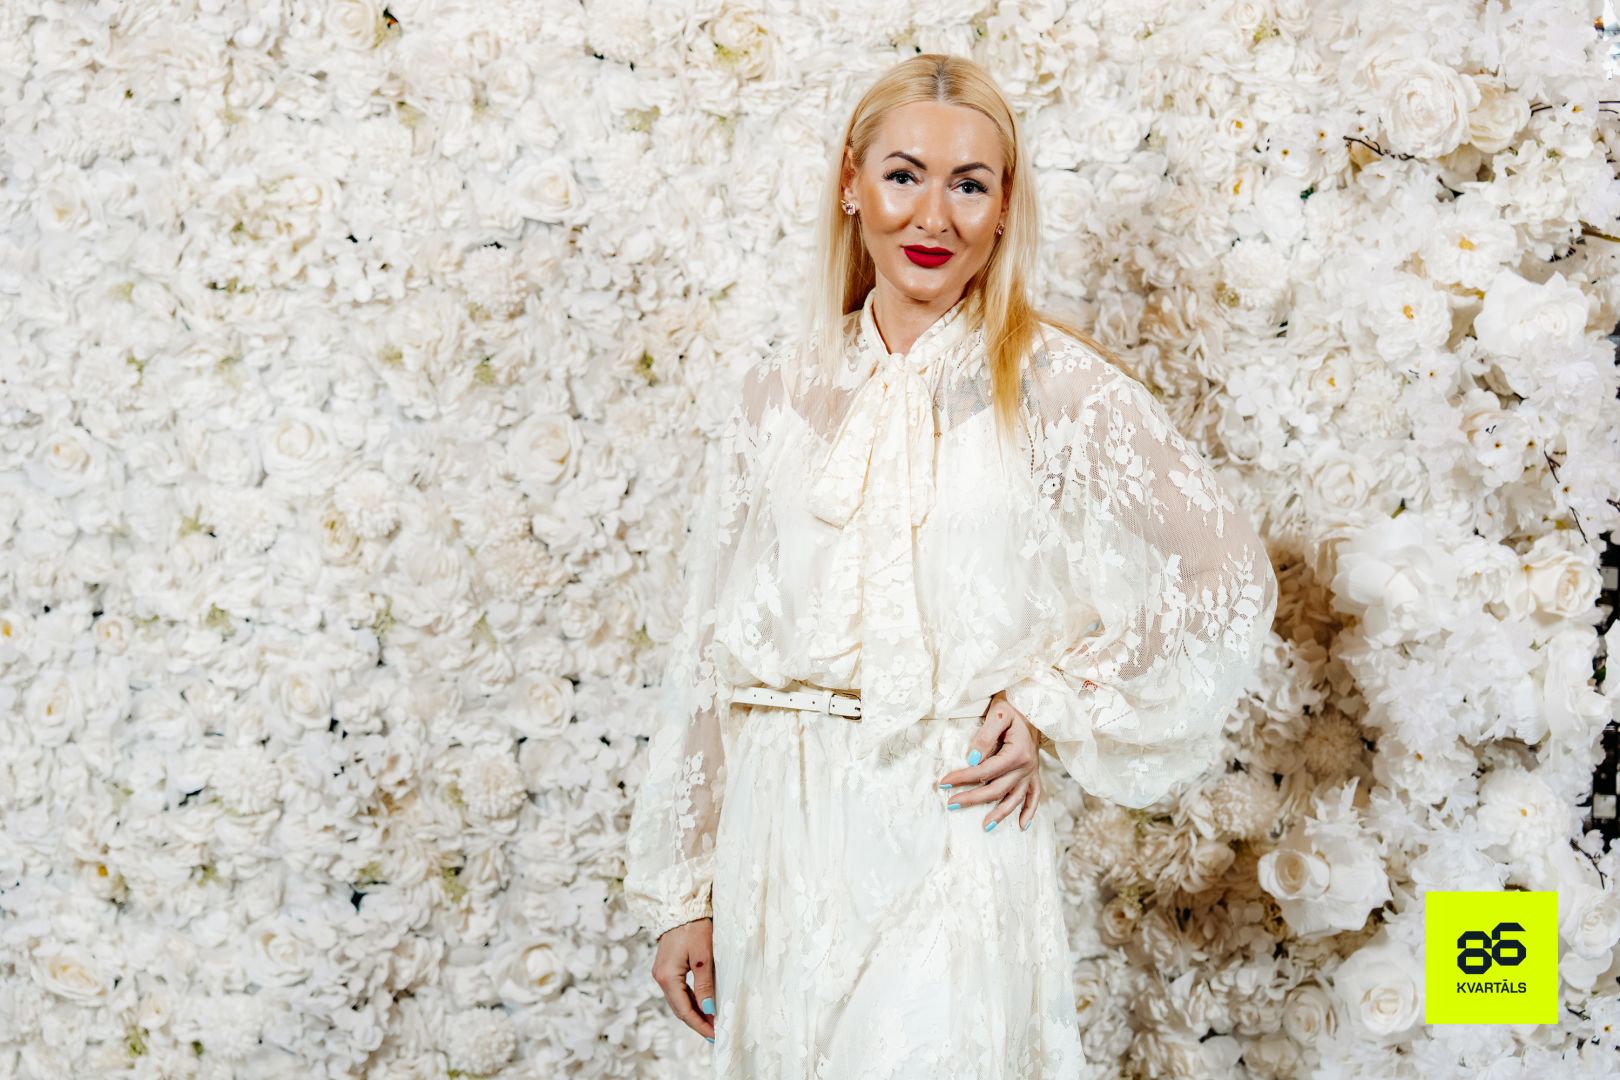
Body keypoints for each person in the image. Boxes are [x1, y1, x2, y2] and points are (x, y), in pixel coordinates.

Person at [623, 53, 1279, 1078]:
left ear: (1004, 205)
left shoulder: (1056, 388)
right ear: (851, 184)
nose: (934, 216)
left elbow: (1226, 575)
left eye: (969, 184)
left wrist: (1052, 701)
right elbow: (708, 647)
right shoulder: (777, 395)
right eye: (904, 176)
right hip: (777, 836)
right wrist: (684, 891)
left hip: (949, 817)